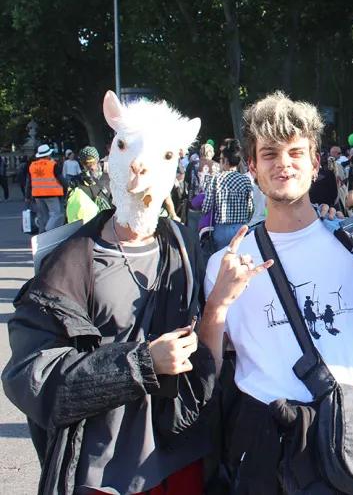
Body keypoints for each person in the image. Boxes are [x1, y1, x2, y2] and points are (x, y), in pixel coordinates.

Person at [198, 92, 353, 492]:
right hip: (263, 441)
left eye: (296, 152)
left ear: (315, 163)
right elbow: (210, 365)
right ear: (252, 166)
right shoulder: (227, 262)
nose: (284, 163)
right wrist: (217, 304)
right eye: (270, 154)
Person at [3, 91, 213, 494]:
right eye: (124, 146)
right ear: (109, 155)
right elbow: (31, 376)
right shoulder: (67, 264)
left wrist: (222, 302)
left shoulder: (186, 250)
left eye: (166, 155)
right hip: (99, 470)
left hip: (179, 459)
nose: (140, 164)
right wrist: (141, 363)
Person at [202, 140, 253, 251]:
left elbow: (207, 207)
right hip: (240, 227)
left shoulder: (216, 179)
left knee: (221, 256)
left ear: (225, 161)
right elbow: (250, 207)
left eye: (221, 159)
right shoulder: (245, 180)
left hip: (221, 228)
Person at [66, 146, 113, 224]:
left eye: (93, 163)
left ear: (97, 160)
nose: (91, 167)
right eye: (86, 164)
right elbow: (71, 208)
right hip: (89, 224)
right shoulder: (75, 182)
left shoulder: (108, 177)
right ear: (82, 164)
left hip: (109, 222)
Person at [26, 144, 65, 233]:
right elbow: (61, 180)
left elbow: (29, 182)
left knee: (43, 216)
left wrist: (27, 196)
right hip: (52, 194)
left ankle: (42, 234)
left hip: (37, 194)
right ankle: (47, 231)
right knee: (56, 214)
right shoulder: (52, 165)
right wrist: (66, 189)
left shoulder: (32, 166)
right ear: (48, 155)